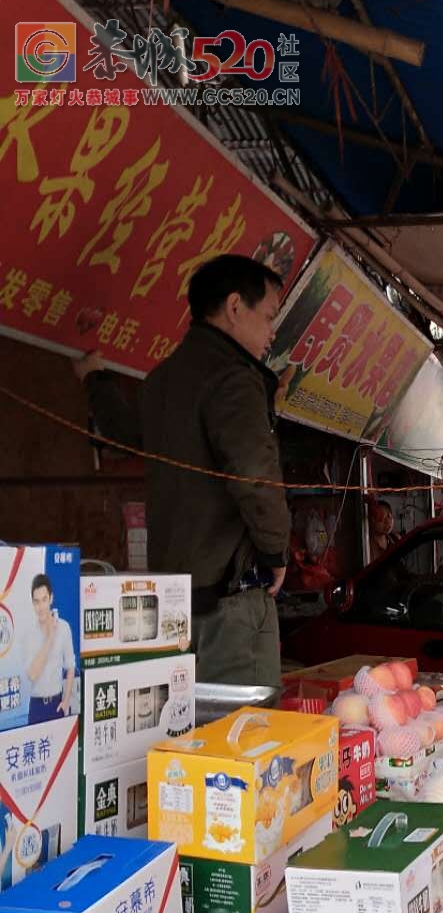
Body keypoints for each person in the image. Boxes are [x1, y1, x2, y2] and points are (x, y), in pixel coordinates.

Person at [77, 255, 290, 689]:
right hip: (230, 599)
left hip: (175, 603)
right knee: (245, 740)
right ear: (235, 307)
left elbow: (125, 431)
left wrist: (95, 380)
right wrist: (275, 553)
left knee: (188, 734)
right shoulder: (233, 376)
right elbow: (253, 473)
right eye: (269, 317)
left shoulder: (162, 378)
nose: (272, 332)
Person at [25, 573, 76, 723]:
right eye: (36, 602)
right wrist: (50, 637)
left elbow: (71, 667)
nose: (40, 607)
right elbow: (32, 674)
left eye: (44, 600)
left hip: (56, 704)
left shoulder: (64, 628)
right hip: (36, 707)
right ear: (32, 603)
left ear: (51, 598)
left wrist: (66, 700)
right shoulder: (29, 633)